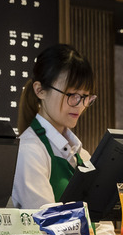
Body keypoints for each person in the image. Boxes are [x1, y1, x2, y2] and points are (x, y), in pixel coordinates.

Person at [12, 44, 96, 209]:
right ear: (40, 90)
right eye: (71, 95)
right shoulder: (28, 151)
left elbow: (102, 221)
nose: (80, 105)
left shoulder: (83, 155)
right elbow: (48, 222)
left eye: (85, 96)